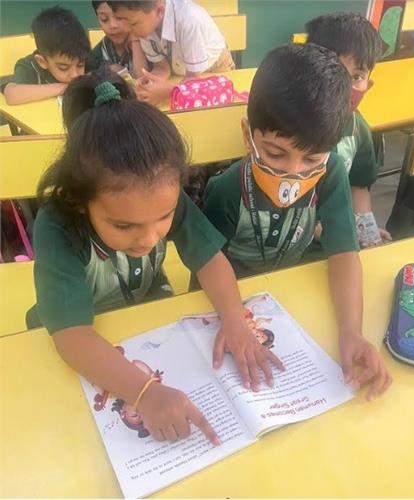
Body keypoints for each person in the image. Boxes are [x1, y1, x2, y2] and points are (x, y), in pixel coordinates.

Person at [27, 68, 283, 444]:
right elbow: (71, 335)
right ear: (79, 201)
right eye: (123, 225)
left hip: (143, 317)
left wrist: (235, 320)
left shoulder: (159, 194)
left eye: (164, 218)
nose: (149, 238)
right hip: (72, 343)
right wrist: (145, 393)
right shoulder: (57, 226)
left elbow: (210, 259)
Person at [203, 44, 392, 400]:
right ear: (248, 136)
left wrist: (351, 331)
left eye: (311, 159)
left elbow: (343, 252)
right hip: (234, 302)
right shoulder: (226, 190)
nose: (292, 173)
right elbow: (205, 266)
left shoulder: (331, 173)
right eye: (275, 154)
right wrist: (232, 318)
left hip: (294, 299)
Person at [306, 12, 392, 247]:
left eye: (356, 76)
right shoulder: (293, 123)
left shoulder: (358, 130)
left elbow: (359, 186)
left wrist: (365, 231)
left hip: (335, 234)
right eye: (334, 70)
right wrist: (336, 234)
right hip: (291, 237)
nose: (343, 85)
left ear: (368, 85)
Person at [108, 0, 235, 104]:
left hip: (215, 68)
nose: (127, 30)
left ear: (160, 11)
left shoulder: (189, 19)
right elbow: (162, 68)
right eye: (123, 21)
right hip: (181, 71)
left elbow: (194, 80)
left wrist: (166, 92)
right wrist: (150, 84)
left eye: (133, 23)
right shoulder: (145, 22)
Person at [1, 6, 90, 104]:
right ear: (42, 61)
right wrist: (65, 87)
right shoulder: (29, 66)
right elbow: (11, 94)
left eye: (80, 65)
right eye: (63, 68)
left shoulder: (83, 55)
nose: (75, 75)